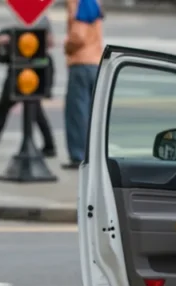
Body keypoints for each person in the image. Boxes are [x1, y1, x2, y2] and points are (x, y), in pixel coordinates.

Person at [0, 16, 57, 159]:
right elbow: (2, 54)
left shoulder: (40, 19)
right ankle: (49, 146)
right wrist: (1, 43)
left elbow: (50, 42)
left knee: (32, 110)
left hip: (33, 70)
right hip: (19, 70)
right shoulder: (15, 28)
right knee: (12, 109)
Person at [61, 0, 104, 170]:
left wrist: (67, 46)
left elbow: (78, 34)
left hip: (81, 62)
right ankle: (92, 153)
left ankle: (78, 155)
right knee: (91, 113)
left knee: (76, 112)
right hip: (95, 61)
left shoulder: (77, 1)